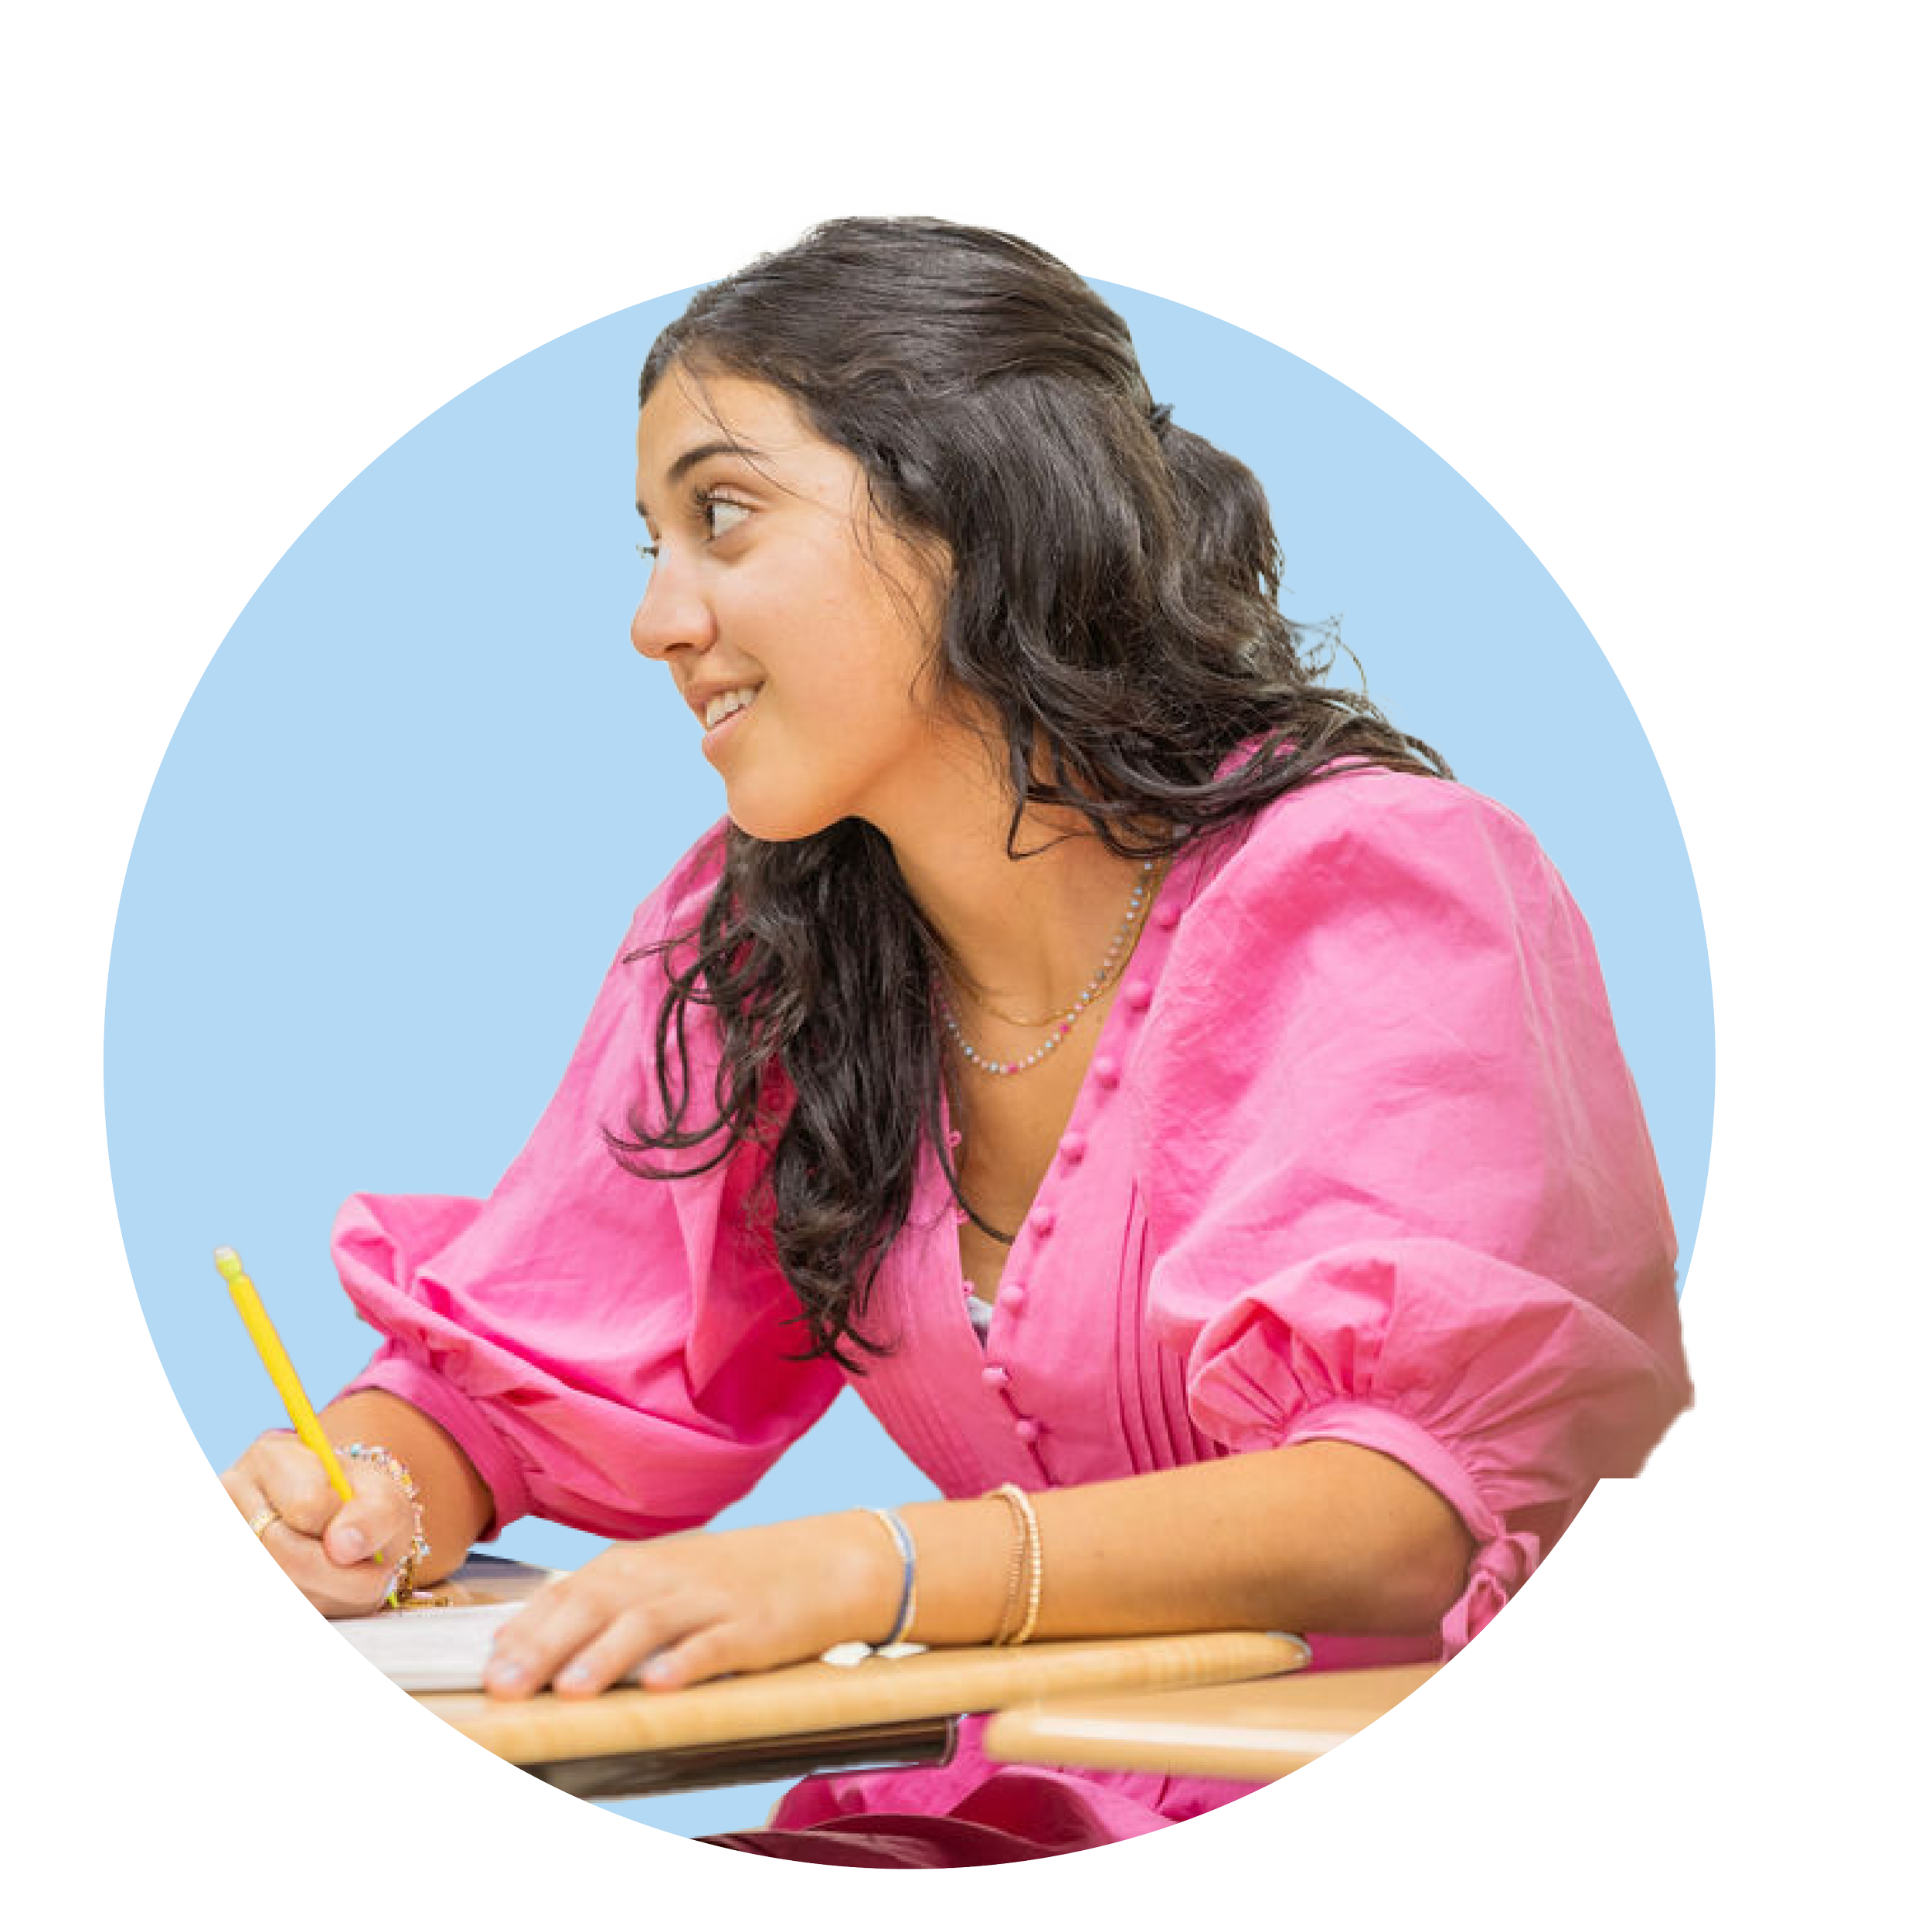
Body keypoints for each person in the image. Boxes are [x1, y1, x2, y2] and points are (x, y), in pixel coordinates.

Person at [220, 212, 1699, 1867]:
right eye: (647, 543)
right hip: (983, 1814)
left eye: (720, 516)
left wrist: (857, 1565)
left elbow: (1403, 1509)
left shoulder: (1379, 887)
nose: (655, 620)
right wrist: (372, 1480)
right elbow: (528, 1375)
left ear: (969, 509)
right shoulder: (760, 942)